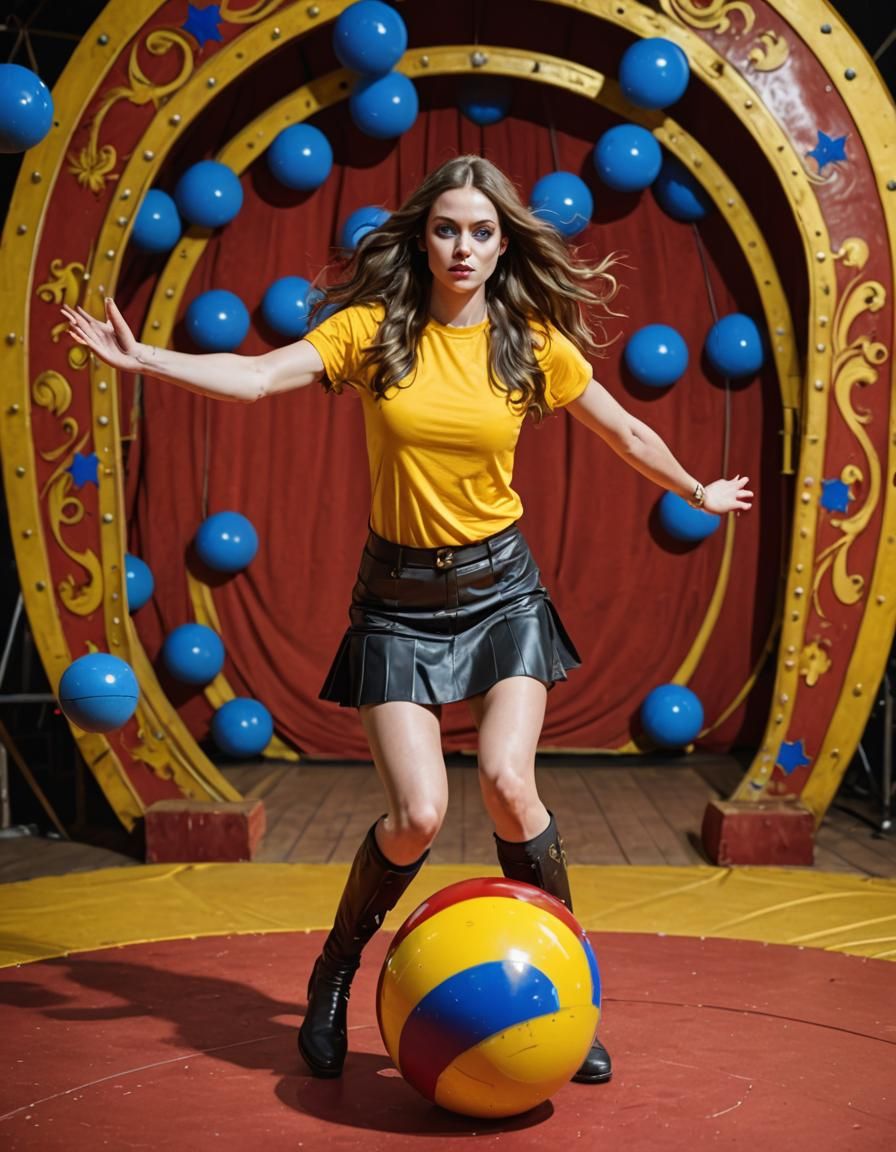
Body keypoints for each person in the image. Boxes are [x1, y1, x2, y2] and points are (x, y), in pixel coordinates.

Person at [64, 154, 752, 1088]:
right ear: (422, 238)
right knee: (418, 813)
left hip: (501, 590)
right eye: (445, 228)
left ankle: (566, 989)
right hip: (396, 602)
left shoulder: (529, 345)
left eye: (480, 231)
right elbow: (262, 377)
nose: (462, 246)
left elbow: (624, 429)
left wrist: (696, 487)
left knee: (510, 784)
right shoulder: (375, 332)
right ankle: (336, 970)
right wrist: (144, 357)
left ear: (503, 243)